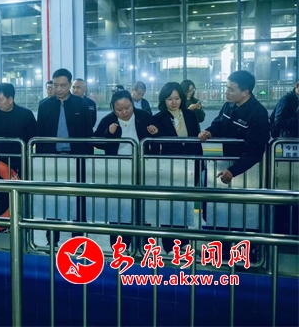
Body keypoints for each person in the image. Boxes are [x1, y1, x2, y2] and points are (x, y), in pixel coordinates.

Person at [93, 88, 159, 247]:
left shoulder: (144, 116)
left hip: (142, 169)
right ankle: (120, 245)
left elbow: (157, 139)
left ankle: (144, 244)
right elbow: (95, 140)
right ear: (113, 108)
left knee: (143, 206)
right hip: (117, 171)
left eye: (127, 107)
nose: (124, 112)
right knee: (118, 207)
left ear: (132, 104)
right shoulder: (108, 120)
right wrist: (108, 134)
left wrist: (155, 132)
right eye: (119, 109)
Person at [37, 69, 93, 224]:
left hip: (77, 157)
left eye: (62, 85)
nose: (58, 89)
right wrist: (39, 159)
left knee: (78, 195)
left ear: (69, 85)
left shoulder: (81, 104)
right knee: (52, 196)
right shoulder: (44, 106)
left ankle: (79, 229)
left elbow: (88, 132)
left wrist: (88, 158)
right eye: (55, 85)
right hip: (51, 157)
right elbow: (40, 135)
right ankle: (52, 233)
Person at [152, 82, 202, 253]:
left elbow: (196, 142)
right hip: (169, 167)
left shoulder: (190, 115)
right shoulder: (158, 118)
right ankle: (169, 244)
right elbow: (154, 146)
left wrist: (199, 165)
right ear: (163, 100)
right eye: (169, 99)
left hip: (189, 166)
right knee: (169, 206)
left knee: (184, 204)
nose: (174, 102)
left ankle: (183, 241)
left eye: (177, 98)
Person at [198, 70, 270, 185]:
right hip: (227, 161)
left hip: (248, 170)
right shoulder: (228, 105)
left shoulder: (258, 114)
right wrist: (209, 132)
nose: (226, 92)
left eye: (231, 90)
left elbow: (255, 150)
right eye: (227, 88)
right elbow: (219, 124)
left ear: (245, 92)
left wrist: (233, 170)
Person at [0, 83, 37, 215]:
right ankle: (2, 222)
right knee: (1, 194)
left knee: (20, 194)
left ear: (11, 99)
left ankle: (22, 219)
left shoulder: (26, 114)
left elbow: (34, 137)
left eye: (0, 99)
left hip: (19, 163)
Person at [270, 80, 299, 235]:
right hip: (287, 149)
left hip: (293, 150)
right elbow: (278, 122)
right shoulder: (287, 100)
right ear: (297, 86)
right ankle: (283, 226)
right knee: (286, 189)